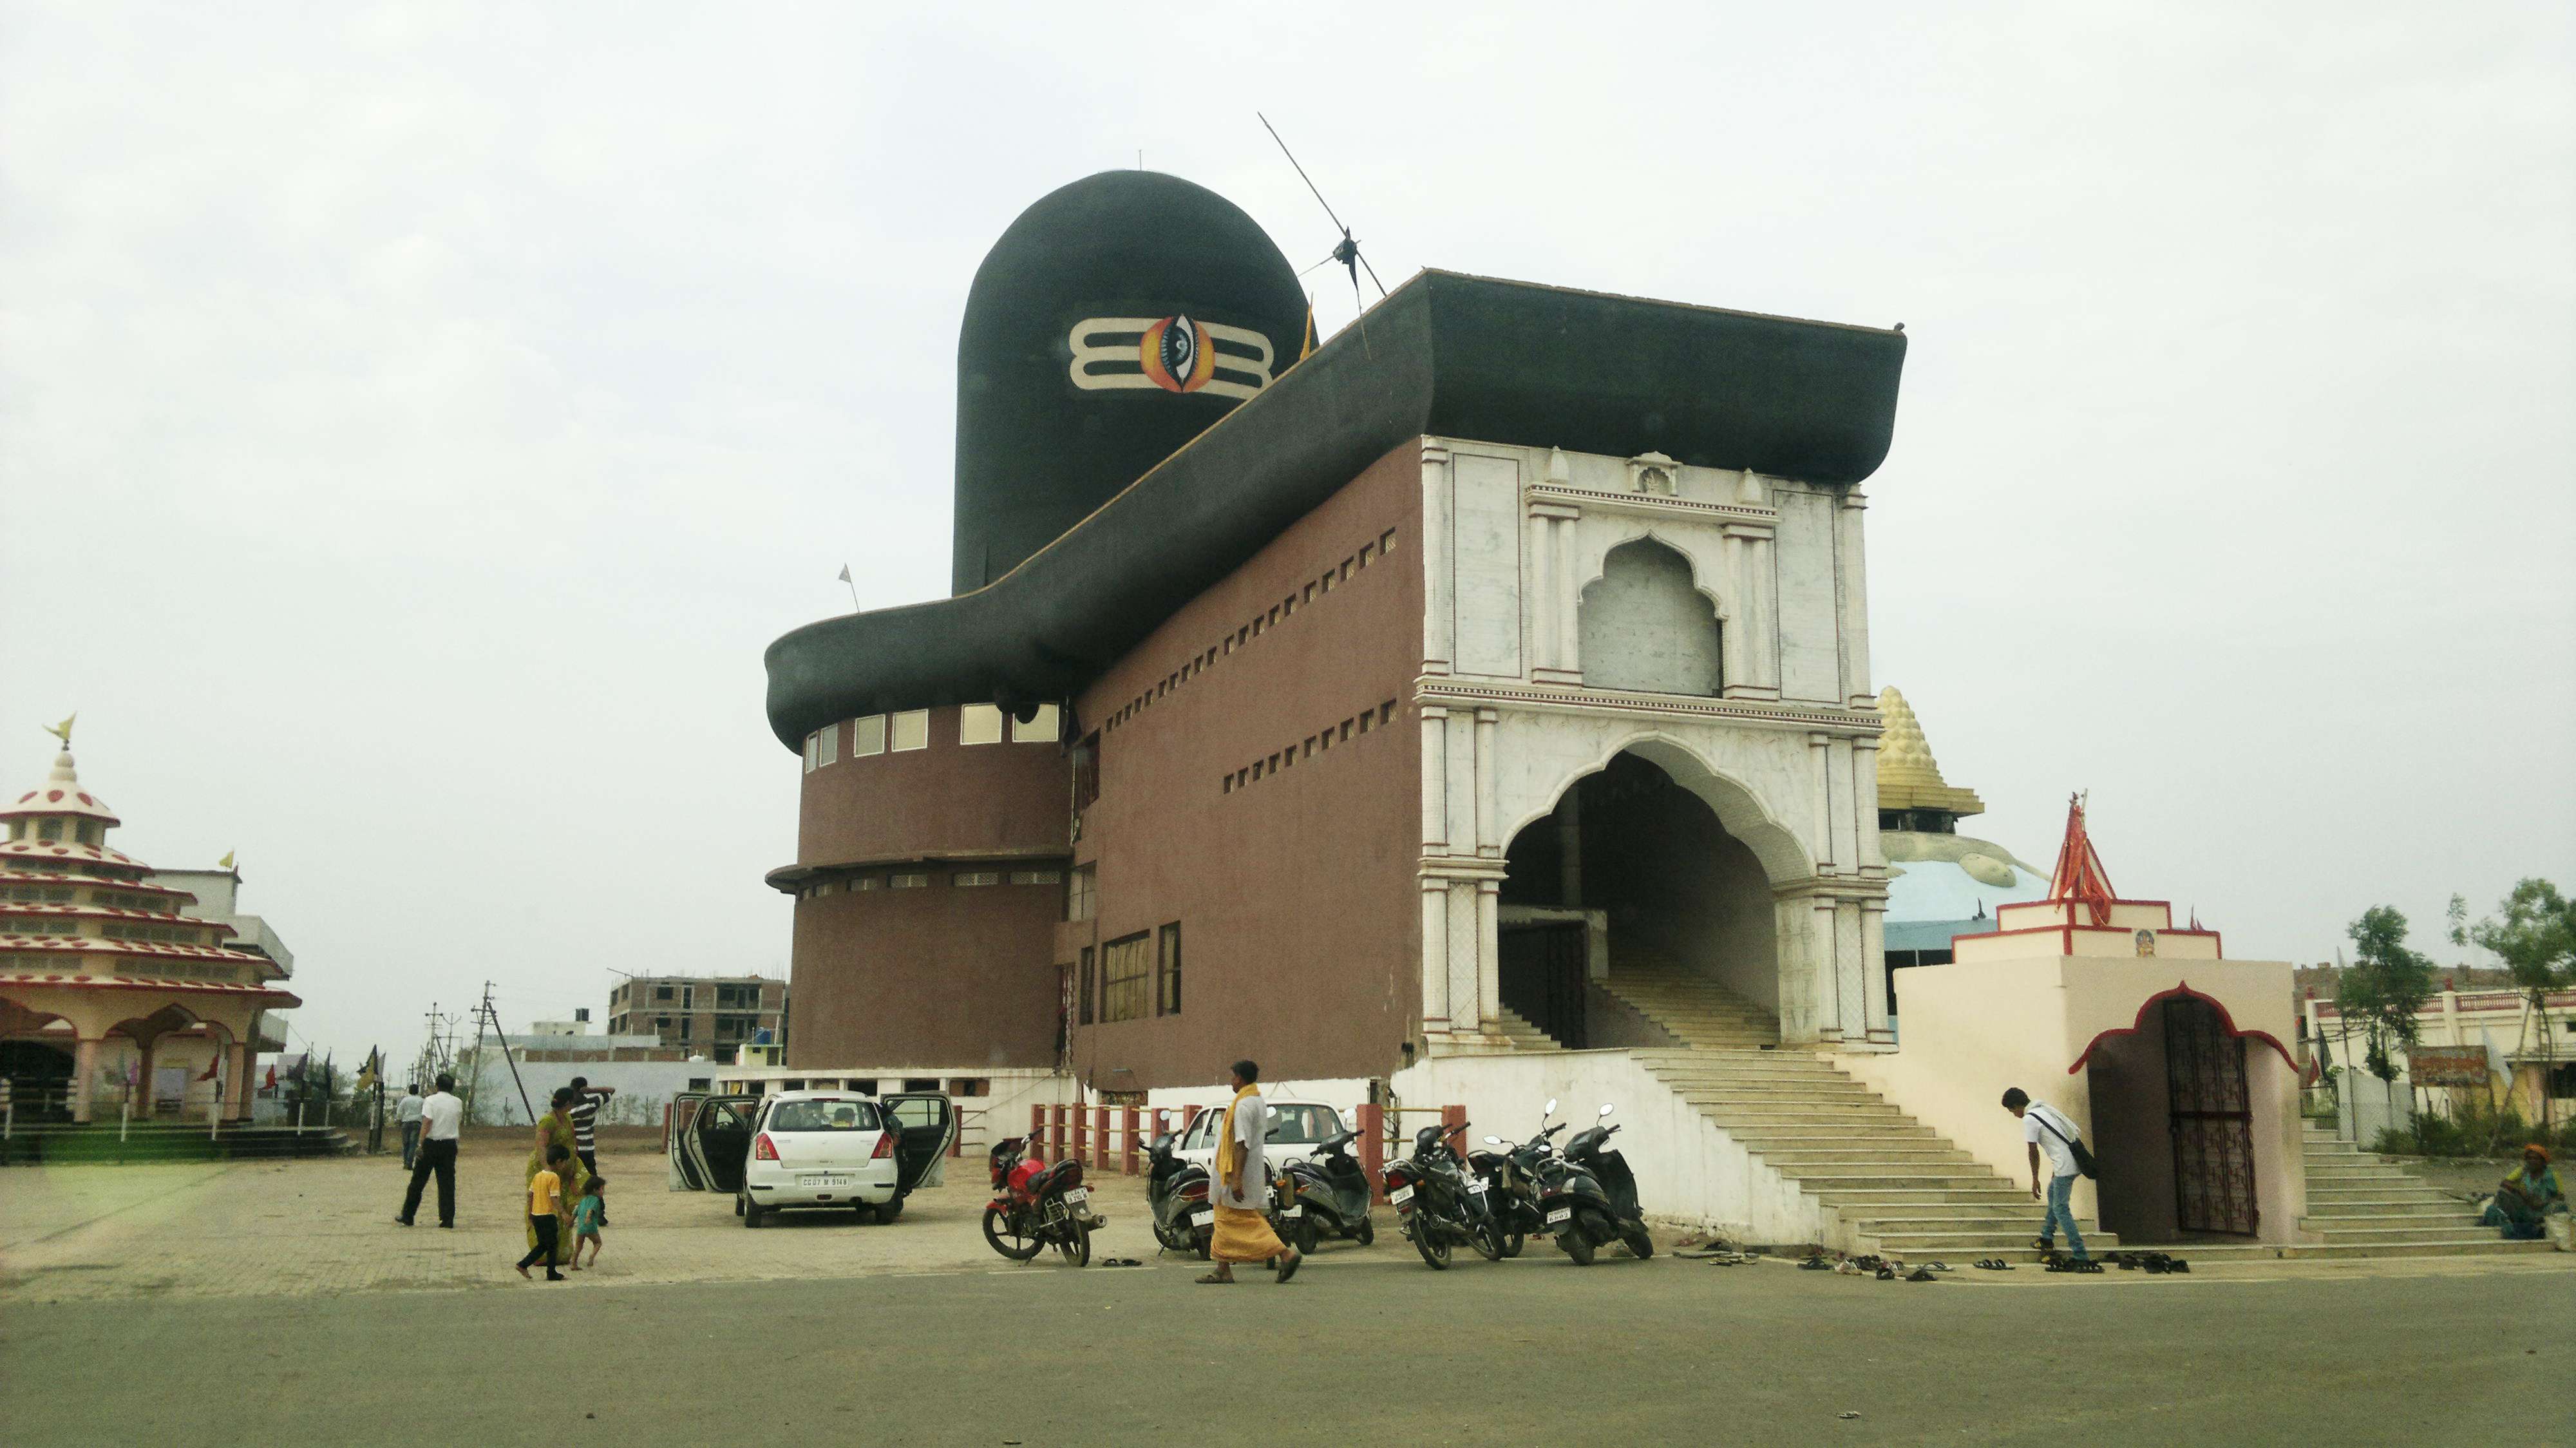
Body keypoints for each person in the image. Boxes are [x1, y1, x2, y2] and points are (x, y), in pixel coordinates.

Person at [1197, 1059, 1302, 1285]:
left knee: (1243, 1221)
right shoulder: (1256, 1100)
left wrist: (1236, 1179)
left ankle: (1286, 1254)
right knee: (1226, 1220)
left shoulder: (1243, 1105)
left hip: (1236, 1172)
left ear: (1240, 1078)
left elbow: (1241, 1144)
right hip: (1241, 1171)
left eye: (1233, 1077)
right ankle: (1223, 1269)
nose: (1231, 1081)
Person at [2002, 1087, 2088, 1262]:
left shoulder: (2029, 1119)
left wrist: (2035, 1180)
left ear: (2017, 1106)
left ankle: (2080, 1254)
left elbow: (2033, 1151)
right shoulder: (2043, 1109)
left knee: (2061, 1208)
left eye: (2012, 1111)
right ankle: (2047, 1238)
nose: (2014, 1115)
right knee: (2052, 1194)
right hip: (2070, 1161)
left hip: (2065, 1166)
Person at [523, 1087, 592, 1263]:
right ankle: (542, 1253)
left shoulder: (567, 1118)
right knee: (547, 1206)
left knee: (565, 1203)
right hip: (549, 1169)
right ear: (568, 1103)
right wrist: (548, 1171)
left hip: (564, 1169)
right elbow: (541, 1147)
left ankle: (560, 1252)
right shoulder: (547, 1121)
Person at [396, 1072, 463, 1228]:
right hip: (450, 1144)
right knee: (447, 1183)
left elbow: (427, 1121)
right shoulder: (457, 1102)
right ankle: (447, 1219)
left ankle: (408, 1215)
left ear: (437, 1086)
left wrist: (420, 1144)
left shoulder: (430, 1100)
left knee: (418, 1181)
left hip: (431, 1144)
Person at [2479, 1144, 2566, 1241]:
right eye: (2529, 1158)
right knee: (2503, 1194)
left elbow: (2560, 1197)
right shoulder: (2522, 1171)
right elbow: (2505, 1183)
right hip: (2525, 1206)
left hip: (2543, 1209)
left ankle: (2536, 1224)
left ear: (2543, 1161)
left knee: (2560, 1206)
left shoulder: (2553, 1175)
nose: (2532, 1161)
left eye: (2536, 1159)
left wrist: (2543, 1203)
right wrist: (2521, 1192)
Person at [516, 1144, 571, 1281]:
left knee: (547, 1244)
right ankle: (526, 1265)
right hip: (548, 1215)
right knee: (550, 1244)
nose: (565, 1165)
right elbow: (554, 1198)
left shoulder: (538, 1176)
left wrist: (530, 1212)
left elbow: (530, 1195)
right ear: (559, 1161)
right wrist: (563, 1213)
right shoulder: (554, 1178)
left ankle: (549, 1271)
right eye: (565, 1162)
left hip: (536, 1215)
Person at [567, 1076, 615, 1222]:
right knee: (593, 1181)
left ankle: (571, 1214)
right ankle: (599, 1213)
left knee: (571, 1182)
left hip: (572, 1151)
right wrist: (591, 1090)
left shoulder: (568, 1110)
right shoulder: (591, 1105)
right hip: (587, 1150)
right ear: (584, 1089)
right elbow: (611, 1091)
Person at [569, 1176, 606, 1270]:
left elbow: (576, 1211)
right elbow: (591, 1209)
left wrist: (571, 1221)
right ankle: (591, 1257)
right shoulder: (595, 1200)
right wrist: (588, 1218)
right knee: (598, 1243)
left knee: (578, 1246)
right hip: (590, 1227)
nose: (603, 1191)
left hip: (581, 1227)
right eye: (602, 1189)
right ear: (595, 1190)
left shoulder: (583, 1200)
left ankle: (574, 1263)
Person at [395, 1083, 425, 1170]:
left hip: (406, 1123)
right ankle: (409, 1163)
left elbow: (399, 1112)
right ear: (418, 1091)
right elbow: (424, 1113)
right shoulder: (421, 1101)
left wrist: (399, 1120)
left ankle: (405, 1163)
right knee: (413, 1144)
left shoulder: (405, 1100)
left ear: (409, 1091)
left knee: (406, 1144)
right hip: (417, 1123)